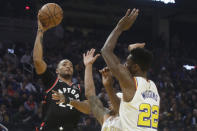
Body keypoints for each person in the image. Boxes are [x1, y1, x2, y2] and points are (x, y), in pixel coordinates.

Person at [101, 8, 160, 131]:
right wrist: (109, 87)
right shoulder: (153, 86)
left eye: (126, 64)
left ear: (135, 67)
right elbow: (121, 109)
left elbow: (105, 51)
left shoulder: (132, 84)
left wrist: (119, 27)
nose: (124, 66)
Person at [33, 18, 90, 131]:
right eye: (64, 64)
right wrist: (40, 31)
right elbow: (37, 60)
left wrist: (68, 100)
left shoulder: (79, 88)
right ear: (57, 70)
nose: (68, 66)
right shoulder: (51, 81)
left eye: (70, 65)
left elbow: (87, 109)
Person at [52, 49, 122, 131]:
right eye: (111, 98)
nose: (110, 100)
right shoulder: (106, 117)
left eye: (115, 99)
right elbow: (90, 95)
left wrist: (109, 86)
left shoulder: (128, 118)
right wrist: (89, 65)